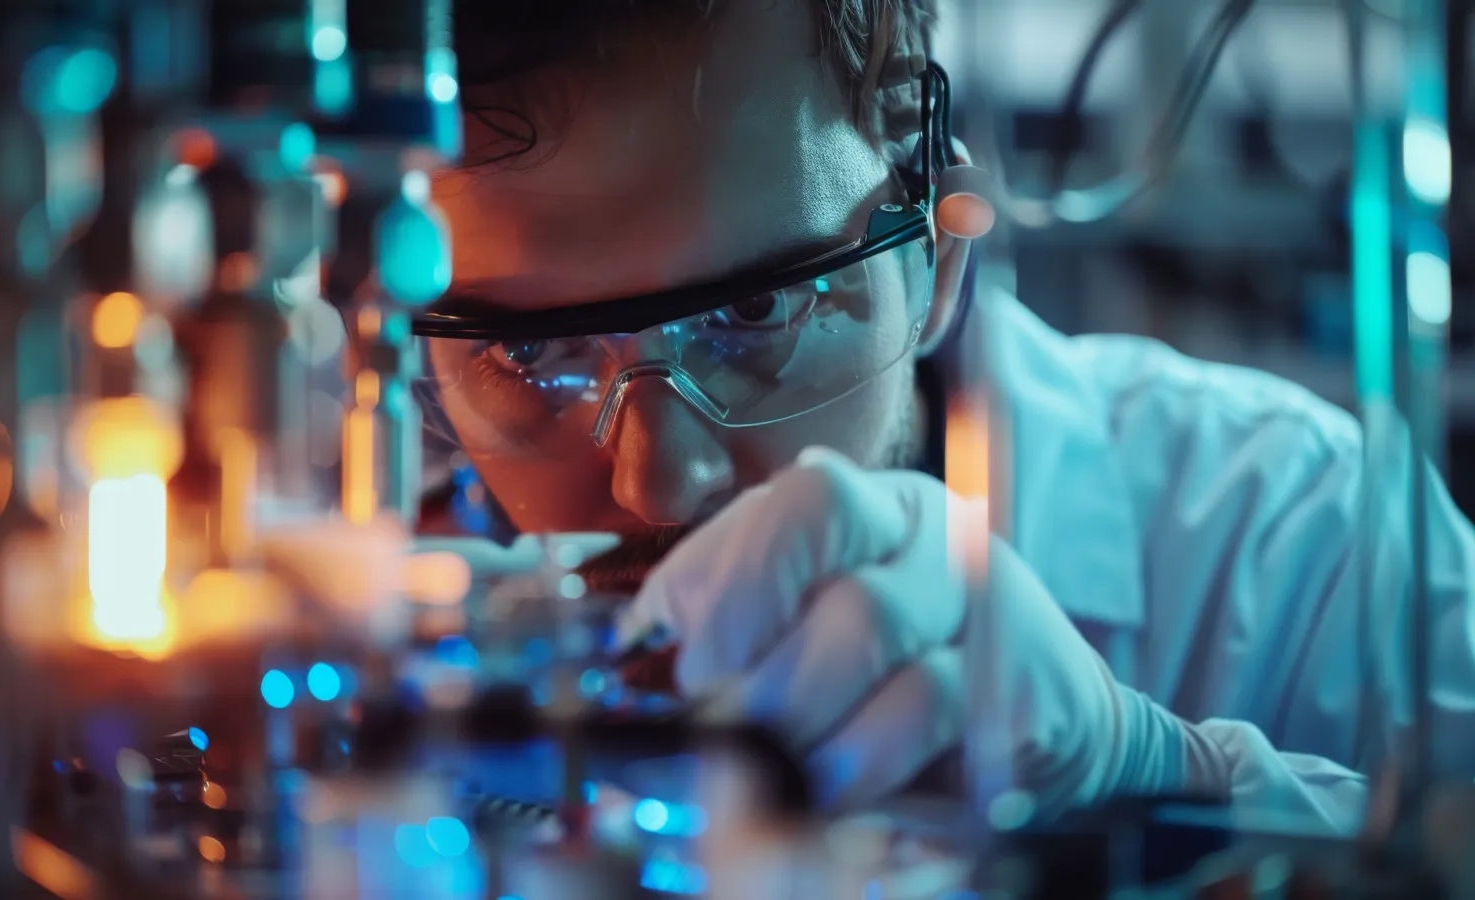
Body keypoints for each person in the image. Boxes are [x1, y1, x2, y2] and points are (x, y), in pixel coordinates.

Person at [413, 0, 1475, 834]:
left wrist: (1157, 778)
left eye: (755, 310)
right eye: (525, 350)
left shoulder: (1308, 536)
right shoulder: (360, 598)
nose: (661, 481)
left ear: (938, 259)